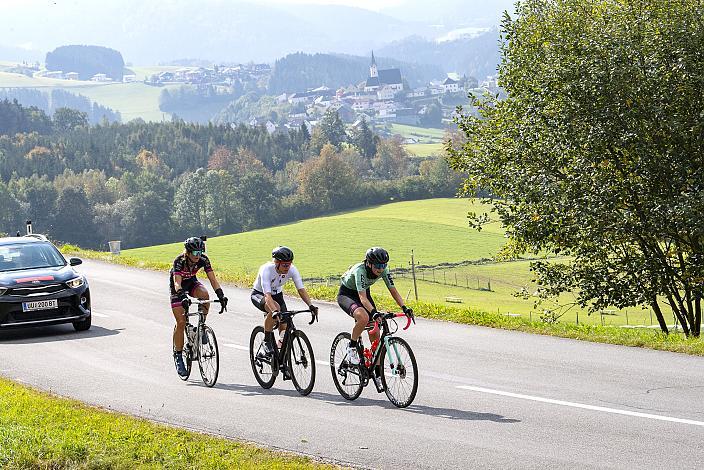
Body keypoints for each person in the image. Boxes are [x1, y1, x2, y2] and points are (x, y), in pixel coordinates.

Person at [337, 247, 413, 367]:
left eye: (383, 265)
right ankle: (351, 346)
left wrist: (404, 307)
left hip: (364, 294)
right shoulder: (360, 270)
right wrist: (374, 312)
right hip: (347, 294)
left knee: (376, 336)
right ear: (369, 263)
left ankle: (377, 372)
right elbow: (362, 298)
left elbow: (393, 291)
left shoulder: (383, 270)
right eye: (377, 265)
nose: (380, 269)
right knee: (363, 317)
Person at [170, 236, 227, 377]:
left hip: (192, 283)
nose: (198, 256)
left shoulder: (203, 260)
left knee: (205, 295)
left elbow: (212, 279)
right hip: (178, 288)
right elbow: (177, 283)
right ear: (188, 252)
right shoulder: (179, 261)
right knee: (181, 322)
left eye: (200, 252)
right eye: (195, 253)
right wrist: (182, 296)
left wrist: (221, 295)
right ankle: (178, 356)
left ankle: (201, 327)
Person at [251, 246, 318, 357]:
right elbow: (267, 295)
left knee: (285, 326)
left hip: (278, 295)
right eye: (285, 265)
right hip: (259, 294)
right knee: (275, 309)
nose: (288, 267)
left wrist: (311, 305)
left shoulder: (292, 269)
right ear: (277, 262)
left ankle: (281, 357)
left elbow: (301, 290)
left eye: (290, 264)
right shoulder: (266, 269)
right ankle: (266, 341)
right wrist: (274, 312)